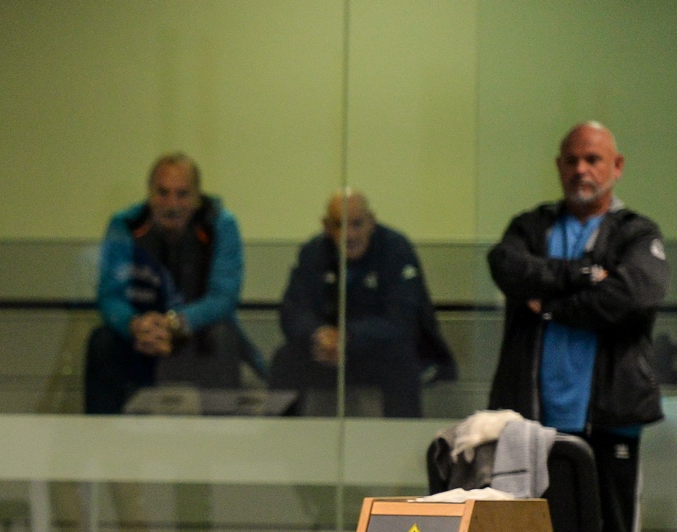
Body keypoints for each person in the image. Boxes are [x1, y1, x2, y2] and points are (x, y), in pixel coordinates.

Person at [487, 121, 668, 532]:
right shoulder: (532, 227)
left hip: (609, 422)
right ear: (558, 165)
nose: (580, 171)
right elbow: (508, 267)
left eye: (593, 159)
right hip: (532, 428)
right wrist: (582, 278)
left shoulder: (637, 233)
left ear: (617, 166)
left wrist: (552, 305)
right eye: (571, 160)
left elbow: (636, 295)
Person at [85, 152, 256, 413]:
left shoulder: (221, 224)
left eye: (182, 194)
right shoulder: (125, 225)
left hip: (197, 336)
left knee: (223, 337)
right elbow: (110, 294)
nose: (171, 204)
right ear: (150, 194)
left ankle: (223, 446)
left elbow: (224, 298)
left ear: (198, 197)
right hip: (142, 338)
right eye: (162, 193)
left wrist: (175, 323)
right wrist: (134, 325)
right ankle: (99, 445)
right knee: (102, 342)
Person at [269, 191, 456, 418]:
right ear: (327, 227)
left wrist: (349, 337)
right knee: (285, 360)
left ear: (371, 222)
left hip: (379, 352)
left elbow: (403, 320)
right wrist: (317, 334)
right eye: (340, 225)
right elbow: (292, 311)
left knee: (402, 362)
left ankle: (400, 441)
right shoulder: (313, 252)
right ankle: (283, 441)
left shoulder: (395, 249)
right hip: (326, 355)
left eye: (357, 224)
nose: (350, 235)